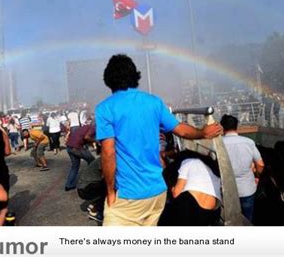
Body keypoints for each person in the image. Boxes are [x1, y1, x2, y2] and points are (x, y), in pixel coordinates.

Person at [96, 54, 223, 226]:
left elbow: (108, 152)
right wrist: (203, 132)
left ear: (108, 79)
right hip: (157, 192)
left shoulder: (105, 108)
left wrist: (110, 191)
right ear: (135, 76)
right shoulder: (154, 102)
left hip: (128, 195)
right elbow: (182, 131)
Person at [221, 114, 264, 223]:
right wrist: (257, 176)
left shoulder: (219, 144)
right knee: (247, 220)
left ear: (222, 127)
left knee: (229, 221)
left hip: (226, 192)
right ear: (237, 126)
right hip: (247, 189)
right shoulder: (249, 142)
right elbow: (260, 165)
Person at [167, 151, 222, 226]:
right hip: (211, 208)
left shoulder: (187, 161)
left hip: (191, 203)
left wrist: (173, 188)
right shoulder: (211, 167)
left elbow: (176, 193)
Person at [65, 121, 96, 191]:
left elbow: (83, 138)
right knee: (93, 162)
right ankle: (90, 182)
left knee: (74, 167)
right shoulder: (93, 128)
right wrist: (96, 141)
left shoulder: (84, 127)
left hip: (69, 147)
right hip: (76, 148)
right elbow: (86, 137)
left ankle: (69, 185)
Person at [77, 157, 105, 223]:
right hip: (85, 189)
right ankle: (95, 212)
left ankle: (92, 204)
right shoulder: (106, 158)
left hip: (85, 187)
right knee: (109, 188)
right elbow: (106, 175)